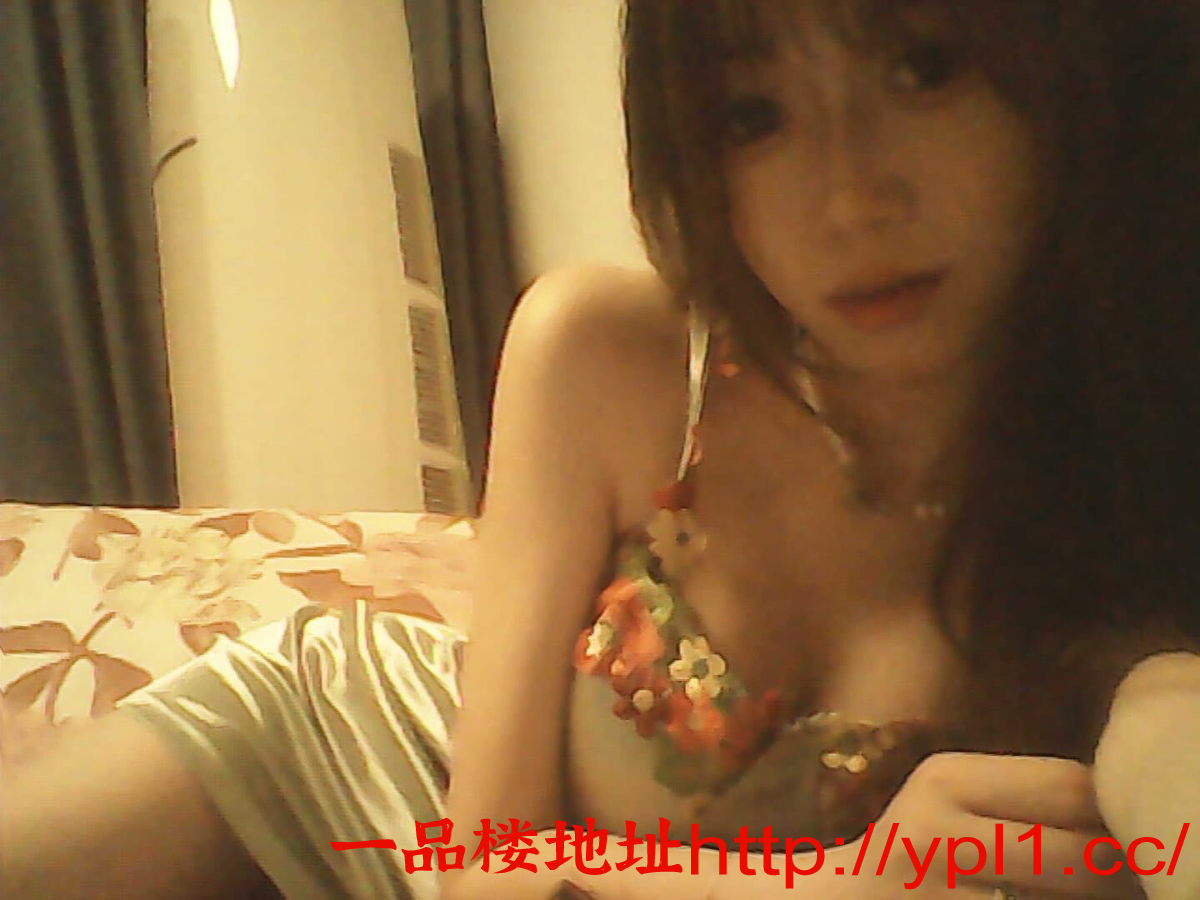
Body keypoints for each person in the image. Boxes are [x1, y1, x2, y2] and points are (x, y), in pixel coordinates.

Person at [4, 1, 1200, 898]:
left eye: (924, 66)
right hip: (364, 752)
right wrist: (830, 882)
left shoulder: (1127, 495)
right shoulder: (607, 353)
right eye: (752, 115)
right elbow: (481, 864)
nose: (848, 199)